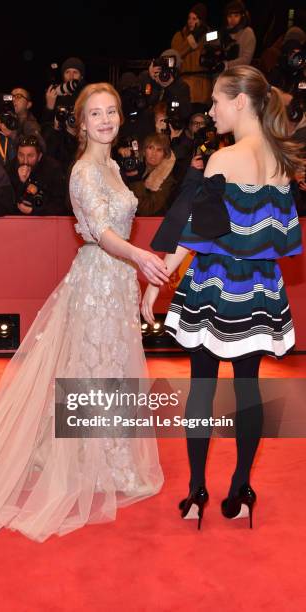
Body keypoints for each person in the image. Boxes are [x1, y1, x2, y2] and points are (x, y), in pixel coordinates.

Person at [0, 83, 166, 560]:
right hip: (98, 281)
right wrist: (142, 259)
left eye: (112, 112)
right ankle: (89, 462)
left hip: (117, 281)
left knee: (113, 367)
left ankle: (110, 457)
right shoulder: (84, 171)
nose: (105, 120)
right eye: (95, 114)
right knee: (91, 366)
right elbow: (104, 234)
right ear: (81, 123)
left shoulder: (112, 166)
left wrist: (137, 271)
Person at [142, 66, 303, 529]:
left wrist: (160, 275)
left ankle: (196, 491)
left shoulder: (224, 159)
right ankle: (243, 487)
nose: (209, 111)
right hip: (258, 289)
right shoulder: (280, 162)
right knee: (249, 388)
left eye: (215, 101)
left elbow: (196, 232)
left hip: (216, 286)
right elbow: (279, 236)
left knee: (203, 386)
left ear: (239, 102)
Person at [171, 4, 212, 108]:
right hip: (185, 83)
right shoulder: (179, 36)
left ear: (201, 20)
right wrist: (193, 38)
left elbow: (215, 52)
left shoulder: (208, 35)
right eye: (189, 18)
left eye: (195, 18)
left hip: (204, 85)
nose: (190, 21)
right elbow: (175, 55)